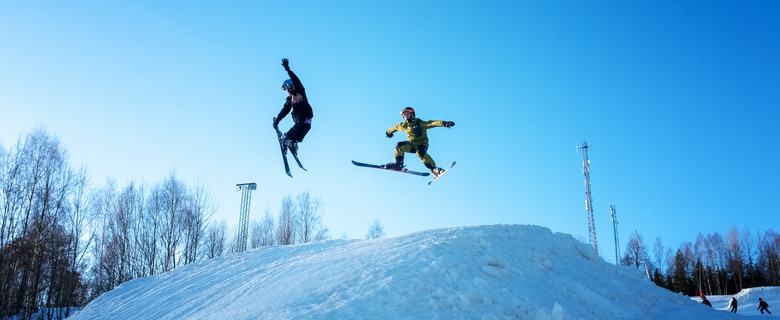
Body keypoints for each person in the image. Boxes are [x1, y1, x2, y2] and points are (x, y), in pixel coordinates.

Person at [381, 107, 455, 177]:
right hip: (412, 145)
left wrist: (444, 123)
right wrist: (388, 132)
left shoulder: (420, 123)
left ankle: (434, 169)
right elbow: (395, 127)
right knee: (399, 145)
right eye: (404, 116)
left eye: (407, 115)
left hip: (422, 144)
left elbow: (432, 123)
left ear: (412, 114)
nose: (406, 117)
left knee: (420, 153)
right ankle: (398, 164)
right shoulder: (405, 125)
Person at [273, 58, 313, 155]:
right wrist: (277, 120)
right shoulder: (289, 99)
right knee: (300, 123)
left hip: (307, 114)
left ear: (292, 86)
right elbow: (284, 111)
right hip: (298, 115)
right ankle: (287, 138)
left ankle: (293, 141)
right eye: (286, 90)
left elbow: (296, 80)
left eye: (288, 88)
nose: (288, 91)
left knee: (307, 126)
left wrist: (288, 70)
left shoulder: (299, 89)